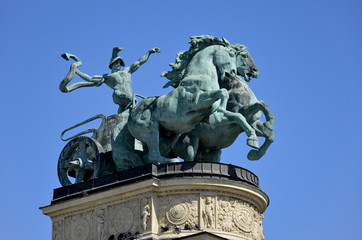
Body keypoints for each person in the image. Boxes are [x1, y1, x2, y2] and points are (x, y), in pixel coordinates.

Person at [60, 46, 161, 113]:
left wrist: (150, 52)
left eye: (119, 63)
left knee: (129, 117)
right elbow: (90, 79)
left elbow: (140, 62)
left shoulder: (127, 71)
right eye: (116, 63)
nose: (118, 65)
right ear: (111, 65)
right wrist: (76, 70)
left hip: (130, 99)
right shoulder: (107, 77)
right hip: (119, 97)